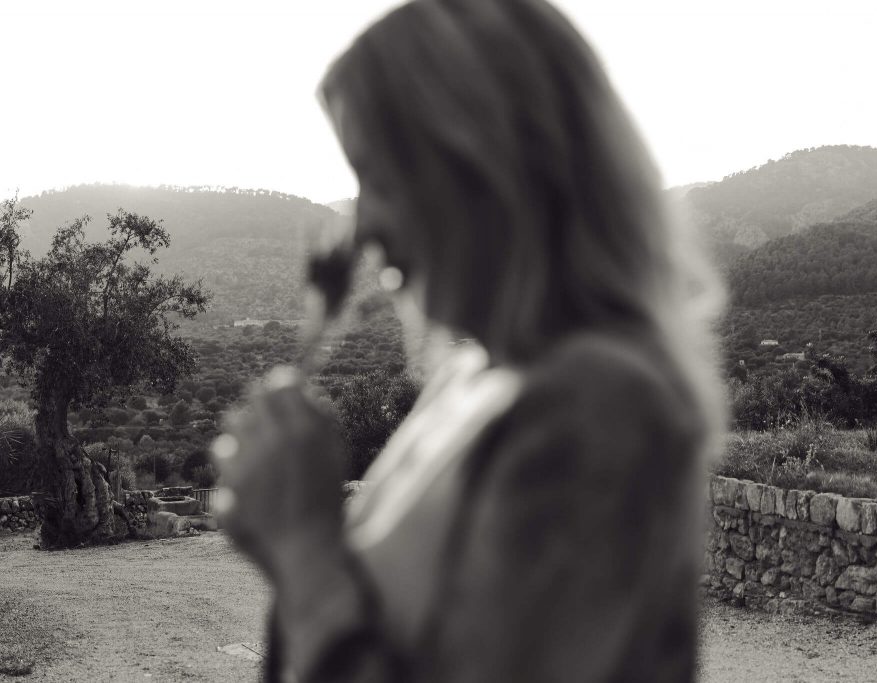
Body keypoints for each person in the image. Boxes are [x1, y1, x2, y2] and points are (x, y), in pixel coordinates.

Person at [213, 0, 725, 680]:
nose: (361, 226)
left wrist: (305, 547)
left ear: (482, 167)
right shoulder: (471, 377)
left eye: (379, 177)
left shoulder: (603, 409)